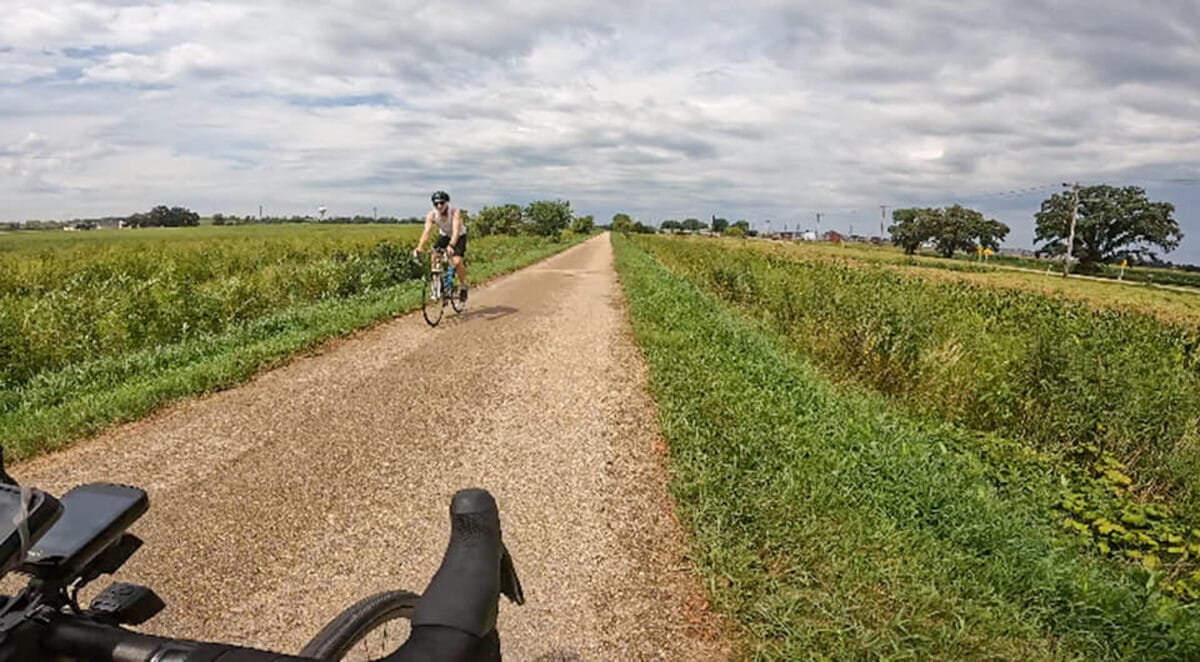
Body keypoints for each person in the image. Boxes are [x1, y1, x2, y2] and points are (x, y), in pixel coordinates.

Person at [413, 190, 469, 302]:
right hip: (444, 235)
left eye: (442, 203)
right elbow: (427, 232)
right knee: (434, 256)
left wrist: (451, 245)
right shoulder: (432, 215)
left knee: (456, 262)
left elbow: (456, 231)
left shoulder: (454, 212)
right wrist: (420, 247)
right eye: (436, 204)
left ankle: (463, 285)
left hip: (458, 236)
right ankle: (436, 286)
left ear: (447, 202)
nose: (439, 206)